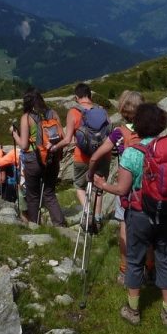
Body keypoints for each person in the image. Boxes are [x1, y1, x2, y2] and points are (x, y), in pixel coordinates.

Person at [94, 103, 167, 329]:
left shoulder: (131, 153)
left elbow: (122, 190)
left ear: (138, 126)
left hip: (140, 213)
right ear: (161, 125)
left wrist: (103, 184)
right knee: (166, 259)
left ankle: (133, 310)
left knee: (134, 260)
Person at [87, 90, 155, 284]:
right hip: (149, 187)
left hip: (125, 188)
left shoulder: (119, 133)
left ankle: (125, 270)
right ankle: (150, 268)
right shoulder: (151, 131)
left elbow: (96, 156)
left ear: (123, 110)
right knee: (149, 229)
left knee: (125, 226)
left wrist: (91, 174)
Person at [54, 83, 111, 232]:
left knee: (79, 186)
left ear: (76, 97)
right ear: (90, 96)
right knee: (99, 187)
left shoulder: (73, 112)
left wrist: (54, 147)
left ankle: (88, 212)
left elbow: (67, 140)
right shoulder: (102, 111)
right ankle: (98, 219)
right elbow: (109, 133)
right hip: (103, 155)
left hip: (83, 157)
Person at [17, 88, 66, 226]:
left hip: (34, 159)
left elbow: (24, 145)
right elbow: (61, 136)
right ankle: (60, 224)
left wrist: (15, 134)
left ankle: (35, 225)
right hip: (52, 156)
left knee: (33, 195)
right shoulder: (53, 113)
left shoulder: (26, 117)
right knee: (49, 193)